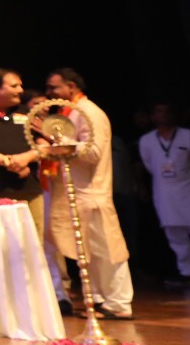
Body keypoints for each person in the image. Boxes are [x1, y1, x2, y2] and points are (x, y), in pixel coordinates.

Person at [40, 67, 134, 318]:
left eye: (54, 87)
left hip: (93, 191)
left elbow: (93, 153)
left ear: (71, 87)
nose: (50, 93)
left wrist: (58, 146)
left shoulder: (90, 112)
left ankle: (119, 303)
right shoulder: (71, 113)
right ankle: (102, 300)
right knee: (89, 253)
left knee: (107, 251)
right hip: (78, 192)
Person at [0, 67, 59, 304]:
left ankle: (35, 300)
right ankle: (1, 300)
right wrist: (6, 162)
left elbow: (46, 144)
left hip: (29, 189)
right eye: (14, 85)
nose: (20, 90)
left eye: (20, 85)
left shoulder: (28, 113)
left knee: (33, 244)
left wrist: (26, 158)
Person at [139, 102, 190, 286]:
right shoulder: (147, 140)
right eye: (159, 111)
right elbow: (150, 165)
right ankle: (188, 271)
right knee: (175, 234)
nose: (163, 115)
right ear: (153, 116)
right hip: (165, 193)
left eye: (167, 111)